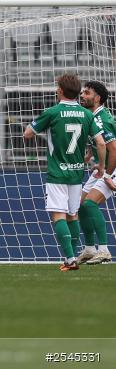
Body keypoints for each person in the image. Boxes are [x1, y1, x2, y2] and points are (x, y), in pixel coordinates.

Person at [24, 73, 106, 272]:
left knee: (59, 216)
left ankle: (70, 260)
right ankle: (73, 255)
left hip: (57, 173)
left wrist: (37, 127)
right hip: (77, 174)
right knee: (72, 215)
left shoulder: (52, 112)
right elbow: (101, 142)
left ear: (60, 90)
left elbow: (27, 134)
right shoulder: (87, 114)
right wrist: (101, 166)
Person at [76, 80, 116, 264]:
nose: (82, 95)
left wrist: (107, 174)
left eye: (87, 93)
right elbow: (97, 141)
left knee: (90, 204)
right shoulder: (91, 116)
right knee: (80, 205)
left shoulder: (102, 120)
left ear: (97, 98)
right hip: (103, 167)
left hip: (112, 168)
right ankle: (90, 249)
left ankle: (105, 250)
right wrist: (90, 157)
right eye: (82, 92)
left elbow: (114, 149)